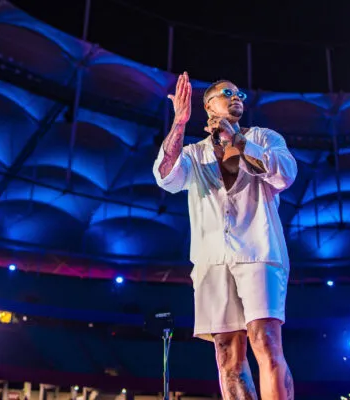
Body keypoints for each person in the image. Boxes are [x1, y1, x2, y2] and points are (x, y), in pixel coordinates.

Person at [152, 72, 297, 400]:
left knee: (265, 341)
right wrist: (179, 123)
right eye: (227, 93)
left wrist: (238, 141)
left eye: (240, 95)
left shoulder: (264, 137)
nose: (237, 98)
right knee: (227, 353)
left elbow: (285, 175)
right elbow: (165, 176)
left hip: (259, 252)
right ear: (208, 106)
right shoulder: (194, 153)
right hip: (212, 259)